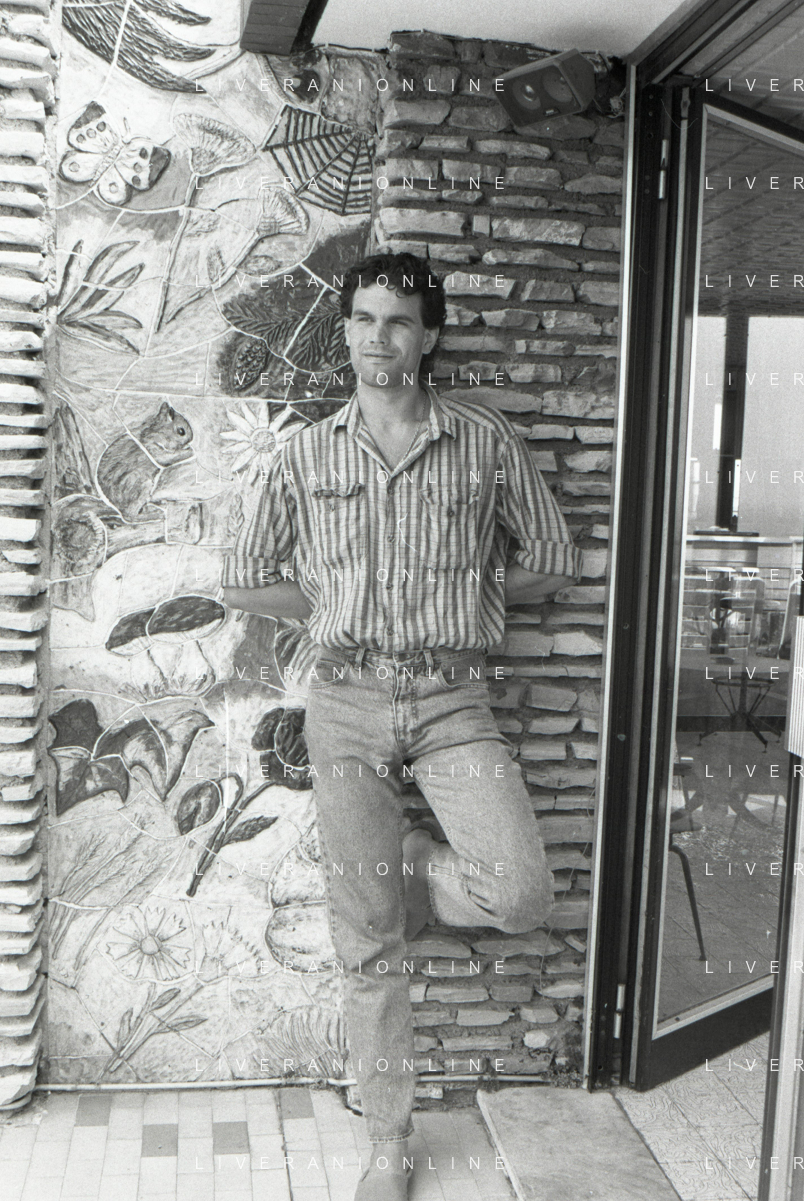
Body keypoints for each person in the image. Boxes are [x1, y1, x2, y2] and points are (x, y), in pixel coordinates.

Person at [222, 252, 581, 1200]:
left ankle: (420, 863)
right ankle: (388, 1139)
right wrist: (335, 607)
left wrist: (472, 600)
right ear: (346, 329)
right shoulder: (306, 454)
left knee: (520, 892)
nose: (378, 337)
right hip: (344, 704)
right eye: (364, 318)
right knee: (367, 935)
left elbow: (553, 555)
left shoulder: (482, 440)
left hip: (454, 699)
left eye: (398, 321)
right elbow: (243, 577)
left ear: (430, 335)